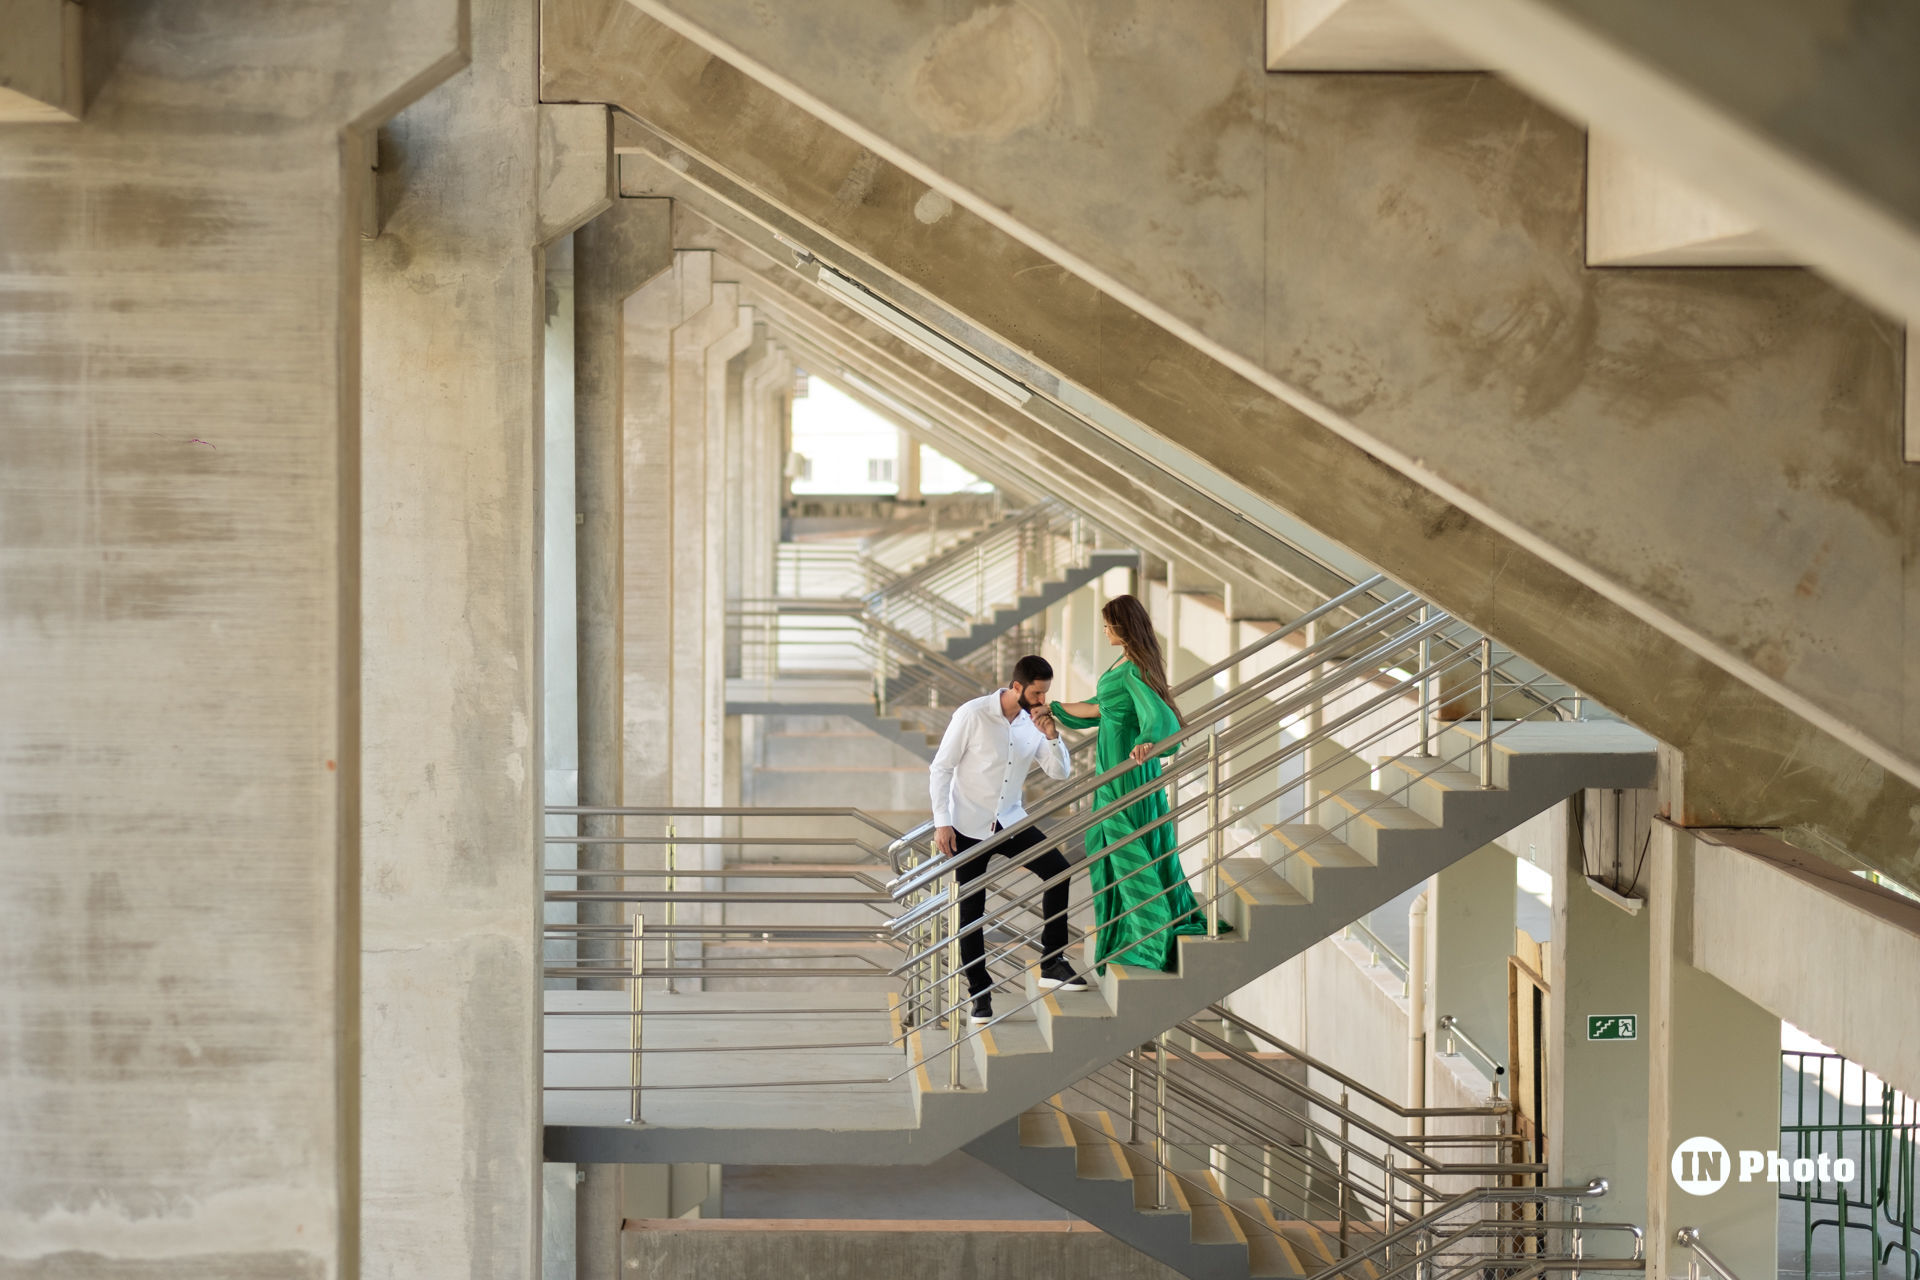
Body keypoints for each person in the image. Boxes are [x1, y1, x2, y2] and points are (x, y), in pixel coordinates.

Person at [1049, 594, 1218, 973]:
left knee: (1120, 846)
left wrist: (1147, 739)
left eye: (1109, 624)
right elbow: (1098, 708)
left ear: (1123, 628)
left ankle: (1147, 929)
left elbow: (1158, 715)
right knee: (1111, 846)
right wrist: (1055, 710)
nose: (1105, 629)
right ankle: (1128, 924)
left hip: (1125, 772)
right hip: (1113, 770)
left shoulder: (1134, 669)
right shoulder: (1124, 663)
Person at [929, 654, 1090, 1025]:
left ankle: (1053, 961)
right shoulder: (972, 715)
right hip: (967, 826)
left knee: (1058, 871)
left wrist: (1051, 735)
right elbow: (941, 767)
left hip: (1010, 821)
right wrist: (943, 822)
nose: (1041, 699)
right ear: (1017, 686)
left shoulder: (1034, 724)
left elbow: (1059, 773)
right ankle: (980, 995)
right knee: (970, 913)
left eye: (1045, 692)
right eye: (1036, 692)